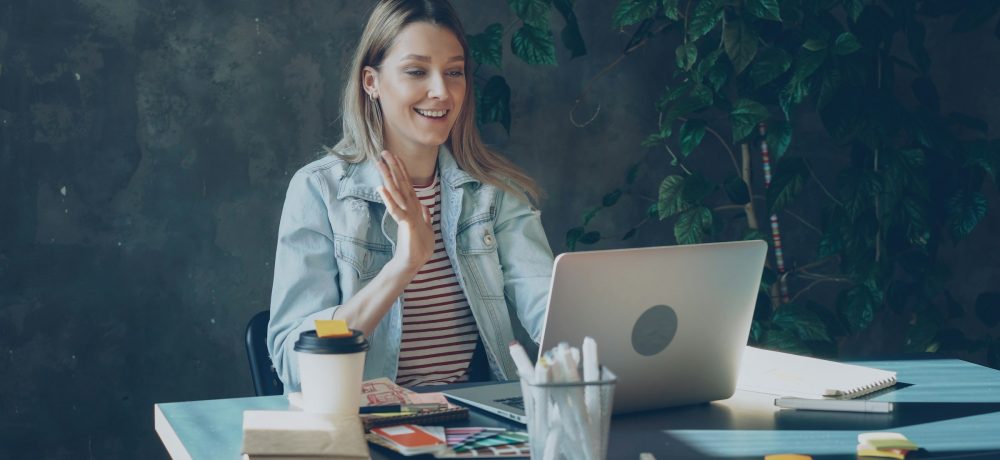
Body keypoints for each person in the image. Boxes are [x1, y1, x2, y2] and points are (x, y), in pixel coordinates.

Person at [267, 0, 554, 391]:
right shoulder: (320, 191)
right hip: (364, 422)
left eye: (454, 72)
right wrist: (402, 266)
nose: (441, 91)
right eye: (416, 71)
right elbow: (295, 363)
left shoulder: (493, 192)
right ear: (371, 82)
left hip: (473, 422)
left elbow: (550, 310)